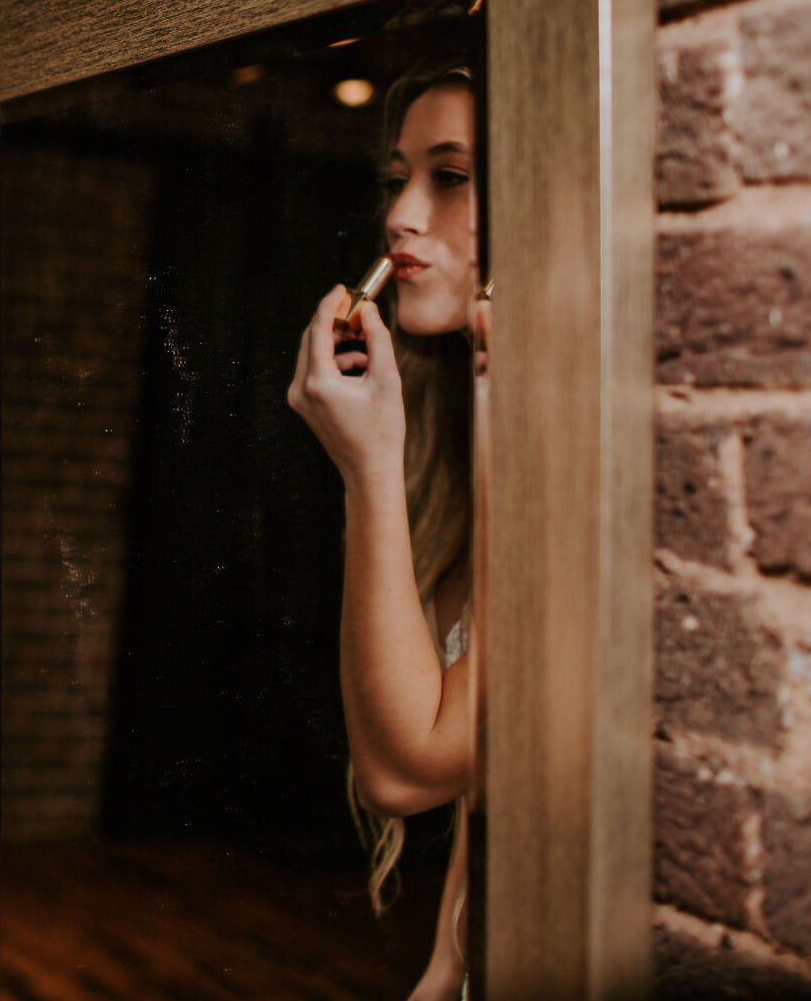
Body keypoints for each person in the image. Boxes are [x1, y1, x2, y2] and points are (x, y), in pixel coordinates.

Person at [287, 59, 483, 1001]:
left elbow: (408, 774)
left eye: (450, 177)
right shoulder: (460, 435)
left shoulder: (557, 444)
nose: (402, 215)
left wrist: (366, 466)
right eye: (396, 179)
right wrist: (442, 973)